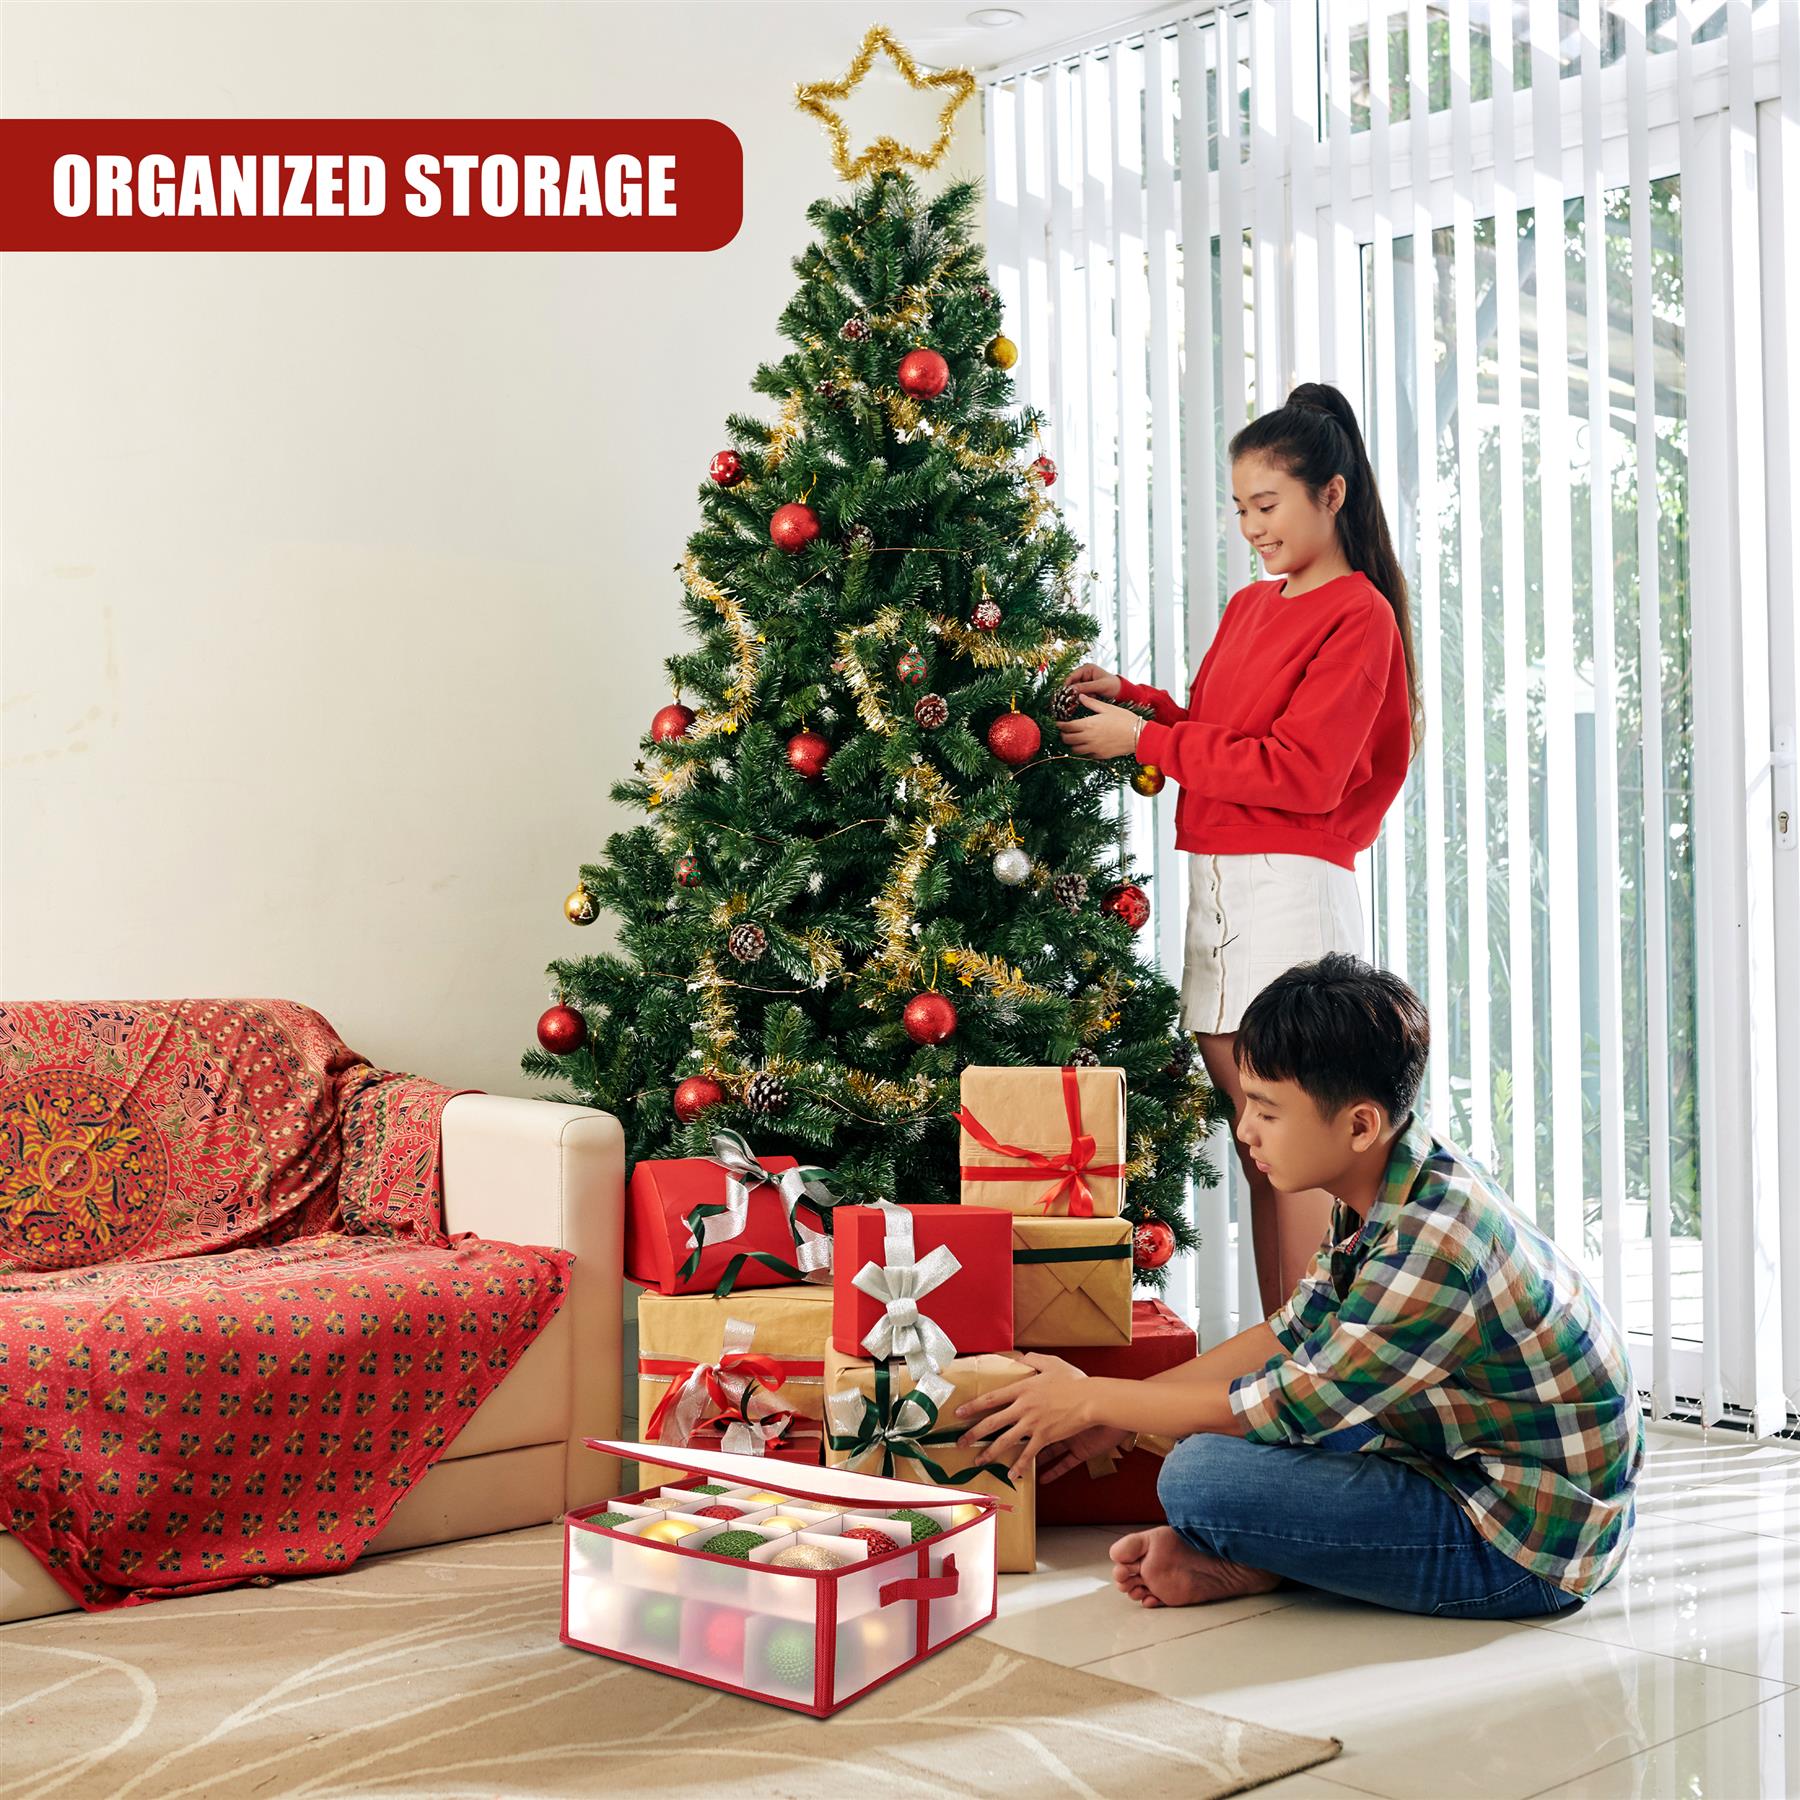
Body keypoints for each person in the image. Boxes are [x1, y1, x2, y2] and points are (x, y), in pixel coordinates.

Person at [954, 955, 1644, 1620]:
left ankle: (1275, 1558)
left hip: (1526, 1540)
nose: (1245, 1130)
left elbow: (1292, 1404)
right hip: (1443, 1451)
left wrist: (1090, 1399)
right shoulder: (1389, 1178)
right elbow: (1292, 1333)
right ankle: (1275, 1556)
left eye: (1267, 1110)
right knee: (1210, 1443)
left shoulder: (1433, 1244)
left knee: (1199, 1476)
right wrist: (1121, 1415)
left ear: (1359, 1124)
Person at [1057, 381, 1419, 1318]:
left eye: (1268, 506)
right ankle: (1283, 1354)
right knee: (1263, 1153)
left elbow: (1302, 772)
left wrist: (1146, 741)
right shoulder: (1253, 607)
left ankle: (1314, 1359)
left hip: (1288, 891)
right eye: (1241, 510)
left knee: (1299, 1156)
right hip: (1216, 888)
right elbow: (1223, 732)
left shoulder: (1359, 615)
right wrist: (1140, 704)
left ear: (1331, 494)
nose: (1254, 528)